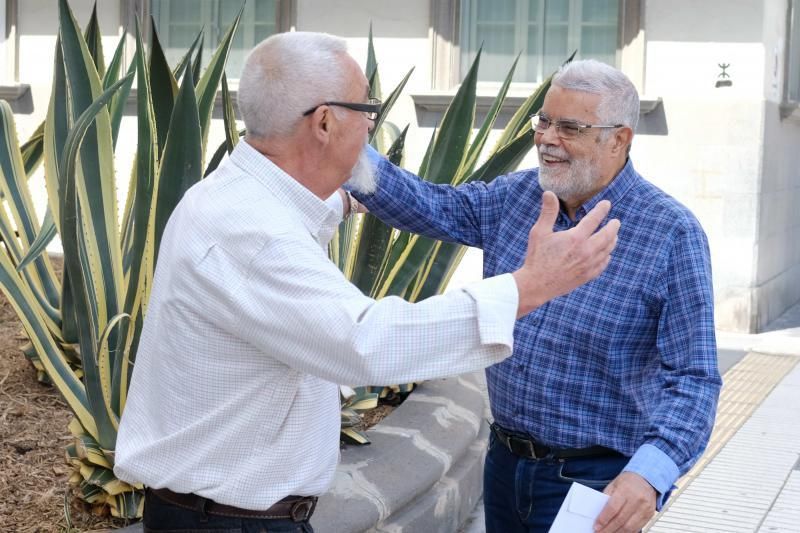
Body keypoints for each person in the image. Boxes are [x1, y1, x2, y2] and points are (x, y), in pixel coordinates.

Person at [113, 33, 620, 532]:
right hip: (229, 523)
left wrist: (337, 198)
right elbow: (368, 342)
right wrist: (530, 286)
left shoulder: (232, 199)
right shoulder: (257, 236)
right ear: (326, 122)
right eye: (367, 112)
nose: (372, 130)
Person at [353, 59, 722, 533]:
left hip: (594, 483)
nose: (547, 138)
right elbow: (430, 206)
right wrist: (347, 152)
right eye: (543, 121)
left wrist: (649, 474)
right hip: (504, 465)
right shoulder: (517, 197)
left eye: (569, 127)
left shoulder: (671, 233)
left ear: (618, 138)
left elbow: (694, 377)